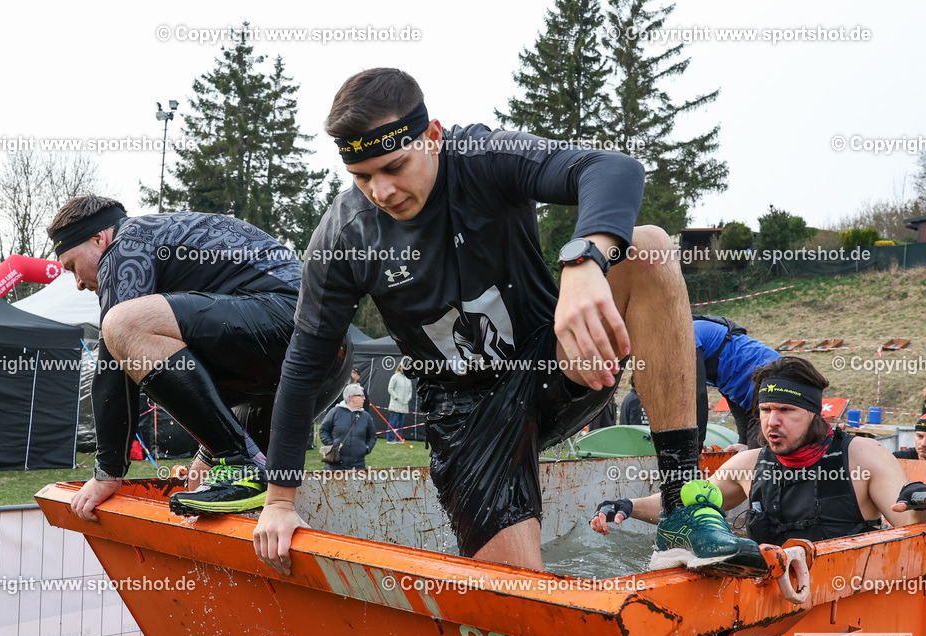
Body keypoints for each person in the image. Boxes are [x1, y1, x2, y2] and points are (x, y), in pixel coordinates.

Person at [253, 67, 746, 575]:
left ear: (433, 136)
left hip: (551, 359)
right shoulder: (346, 234)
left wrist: (584, 260)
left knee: (648, 247)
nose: (381, 190)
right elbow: (304, 361)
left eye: (395, 166)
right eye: (362, 177)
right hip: (467, 416)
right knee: (518, 598)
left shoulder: (482, 158)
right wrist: (279, 501)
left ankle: (684, 503)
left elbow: (613, 169)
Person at [47, 195, 351, 521]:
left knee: (121, 325)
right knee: (238, 485)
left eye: (72, 266)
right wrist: (210, 452)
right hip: (326, 357)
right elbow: (203, 363)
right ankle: (240, 468)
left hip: (288, 325)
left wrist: (107, 472)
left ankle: (239, 464)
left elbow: (112, 367)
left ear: (98, 238)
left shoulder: (125, 245)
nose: (77, 283)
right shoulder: (160, 241)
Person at [592, 357, 926, 555]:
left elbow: (909, 528)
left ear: (814, 413)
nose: (771, 422)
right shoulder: (749, 464)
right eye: (765, 410)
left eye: (785, 410)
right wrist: (627, 506)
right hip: (764, 595)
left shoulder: (864, 458)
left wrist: (918, 504)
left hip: (840, 600)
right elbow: (685, 505)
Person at [694, 315, 780, 449]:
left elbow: (698, 396)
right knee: (750, 450)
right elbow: (731, 397)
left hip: (770, 375)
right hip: (753, 385)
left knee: (757, 454)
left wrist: (696, 446)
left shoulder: (687, 334)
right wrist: (743, 441)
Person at [319, 383, 378, 469]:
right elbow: (323, 430)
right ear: (351, 397)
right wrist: (331, 444)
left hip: (358, 464)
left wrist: (366, 448)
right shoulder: (335, 412)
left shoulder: (366, 416)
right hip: (335, 465)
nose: (364, 398)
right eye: (361, 395)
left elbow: (372, 436)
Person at [386, 361, 413, 442]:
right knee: (393, 421)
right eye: (402, 367)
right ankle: (390, 439)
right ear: (399, 367)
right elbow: (390, 389)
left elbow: (410, 391)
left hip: (404, 404)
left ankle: (399, 438)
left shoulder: (408, 379)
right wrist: (396, 397)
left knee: (400, 423)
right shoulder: (395, 377)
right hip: (396, 403)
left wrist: (408, 398)